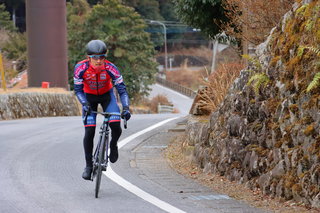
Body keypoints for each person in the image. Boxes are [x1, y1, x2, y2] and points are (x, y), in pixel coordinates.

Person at [73, 39, 131, 180]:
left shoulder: (111, 68)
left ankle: (113, 144)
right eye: (95, 57)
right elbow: (78, 90)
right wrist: (84, 103)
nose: (98, 61)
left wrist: (126, 107)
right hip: (88, 99)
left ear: (105, 57)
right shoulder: (80, 68)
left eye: (102, 57)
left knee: (115, 125)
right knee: (90, 130)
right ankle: (88, 166)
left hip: (107, 97)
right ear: (89, 58)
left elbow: (122, 91)